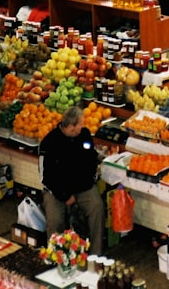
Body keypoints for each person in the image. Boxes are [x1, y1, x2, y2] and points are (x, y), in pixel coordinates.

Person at [40, 105, 104, 255]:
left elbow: (91, 157)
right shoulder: (49, 143)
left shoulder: (84, 135)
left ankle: (96, 255)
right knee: (55, 221)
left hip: (83, 187)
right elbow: (46, 177)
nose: (83, 126)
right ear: (70, 127)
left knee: (97, 207)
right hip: (57, 190)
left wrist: (92, 176)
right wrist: (65, 195)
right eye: (80, 123)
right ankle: (56, 257)